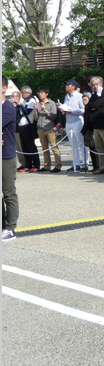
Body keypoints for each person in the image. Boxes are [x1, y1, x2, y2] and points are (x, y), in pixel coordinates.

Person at [2, 75, 19, 242]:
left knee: (8, 192)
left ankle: (10, 228)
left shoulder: (7, 107)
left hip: (6, 155)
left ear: (4, 88)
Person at [60, 79, 87, 173]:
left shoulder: (80, 96)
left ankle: (85, 163)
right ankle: (76, 164)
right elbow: (65, 108)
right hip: (68, 121)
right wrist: (62, 108)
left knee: (81, 143)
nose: (66, 86)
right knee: (73, 144)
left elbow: (84, 109)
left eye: (68, 85)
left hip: (77, 121)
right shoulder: (66, 96)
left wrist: (73, 111)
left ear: (73, 86)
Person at [34, 86, 62, 172]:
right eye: (39, 93)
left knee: (54, 147)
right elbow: (36, 118)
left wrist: (44, 109)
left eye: (42, 93)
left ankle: (58, 166)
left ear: (47, 94)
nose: (40, 94)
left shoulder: (52, 103)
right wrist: (35, 109)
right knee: (44, 148)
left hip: (49, 128)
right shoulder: (38, 103)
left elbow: (53, 116)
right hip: (40, 128)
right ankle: (47, 166)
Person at [12, 90, 40, 172]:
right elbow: (18, 113)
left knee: (31, 146)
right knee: (24, 147)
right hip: (21, 126)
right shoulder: (23, 101)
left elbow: (27, 112)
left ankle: (36, 165)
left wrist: (20, 104)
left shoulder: (32, 100)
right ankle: (28, 165)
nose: (22, 94)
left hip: (28, 125)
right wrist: (16, 105)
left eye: (23, 93)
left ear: (28, 93)